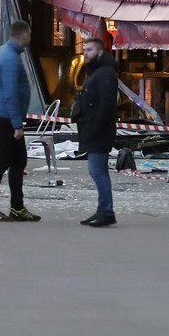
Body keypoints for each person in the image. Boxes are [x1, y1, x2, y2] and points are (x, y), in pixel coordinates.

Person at [0, 20, 40, 222]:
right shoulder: (11, 59)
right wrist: (17, 124)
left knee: (18, 161)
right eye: (30, 35)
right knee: (2, 162)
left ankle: (17, 207)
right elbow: (11, 93)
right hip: (7, 117)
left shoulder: (5, 52)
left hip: (5, 114)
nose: (30, 39)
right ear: (24, 35)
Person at [74, 38, 119, 227]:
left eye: (90, 50)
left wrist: (95, 127)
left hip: (99, 130)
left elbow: (107, 104)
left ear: (100, 52)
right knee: (99, 171)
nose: (85, 53)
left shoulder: (105, 73)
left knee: (97, 171)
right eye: (84, 50)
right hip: (94, 128)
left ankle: (106, 212)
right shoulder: (96, 72)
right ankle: (103, 210)